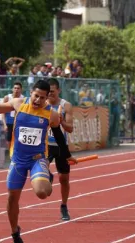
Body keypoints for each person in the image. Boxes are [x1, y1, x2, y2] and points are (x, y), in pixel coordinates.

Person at [0, 79, 76, 243]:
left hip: (37, 158)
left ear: (47, 98)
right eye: (36, 96)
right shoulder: (18, 103)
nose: (38, 101)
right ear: (31, 93)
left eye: (42, 98)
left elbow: (59, 135)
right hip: (17, 161)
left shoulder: (51, 114)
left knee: (42, 192)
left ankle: (46, 177)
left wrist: (67, 156)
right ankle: (15, 232)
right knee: (12, 198)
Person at [47, 78, 74, 221]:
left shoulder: (66, 106)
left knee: (64, 179)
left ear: (58, 90)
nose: (50, 94)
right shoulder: (41, 104)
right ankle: (48, 176)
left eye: (52, 91)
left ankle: (64, 205)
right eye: (48, 91)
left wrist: (60, 120)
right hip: (46, 145)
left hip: (61, 146)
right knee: (42, 169)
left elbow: (70, 129)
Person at [2, 82, 24, 149]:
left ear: (21, 90)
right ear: (12, 89)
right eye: (15, 88)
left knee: (19, 140)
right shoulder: (7, 98)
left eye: (18, 88)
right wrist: (4, 124)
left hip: (19, 123)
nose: (16, 90)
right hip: (9, 122)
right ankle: (10, 155)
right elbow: (2, 112)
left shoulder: (23, 99)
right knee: (9, 140)